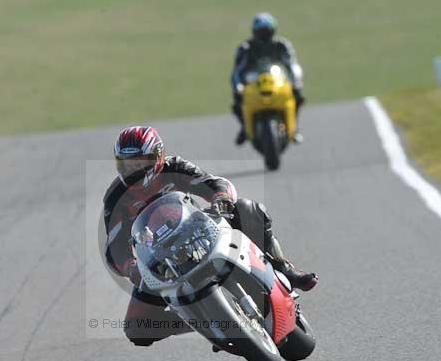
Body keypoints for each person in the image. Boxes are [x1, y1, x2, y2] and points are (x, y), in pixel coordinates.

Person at [102, 126, 318, 346]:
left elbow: (212, 182)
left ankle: (284, 269)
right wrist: (130, 267)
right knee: (137, 328)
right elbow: (114, 246)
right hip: (158, 258)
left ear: (158, 156)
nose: (133, 170)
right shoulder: (115, 197)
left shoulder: (174, 167)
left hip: (199, 232)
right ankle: (199, 320)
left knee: (247, 208)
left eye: (140, 163)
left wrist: (220, 198)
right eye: (127, 164)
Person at [230, 12, 305, 145]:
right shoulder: (246, 48)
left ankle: (293, 127)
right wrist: (238, 86)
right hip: (253, 84)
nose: (264, 35)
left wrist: (296, 81)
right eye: (261, 32)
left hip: (276, 81)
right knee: (237, 103)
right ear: (255, 32)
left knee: (297, 96)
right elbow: (237, 70)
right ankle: (244, 128)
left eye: (267, 31)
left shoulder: (282, 45)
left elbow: (292, 64)